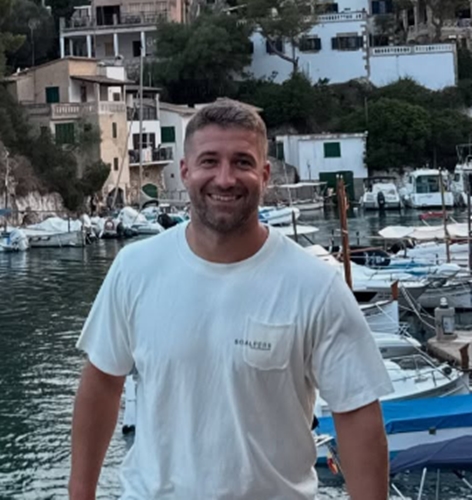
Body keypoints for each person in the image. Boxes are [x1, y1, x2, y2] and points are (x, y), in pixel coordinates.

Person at [69, 100, 393, 500]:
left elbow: (357, 414)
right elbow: (102, 383)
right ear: (185, 171)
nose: (225, 179)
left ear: (265, 174)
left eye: (242, 162)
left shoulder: (315, 286)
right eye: (209, 161)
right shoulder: (134, 269)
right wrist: (80, 493)